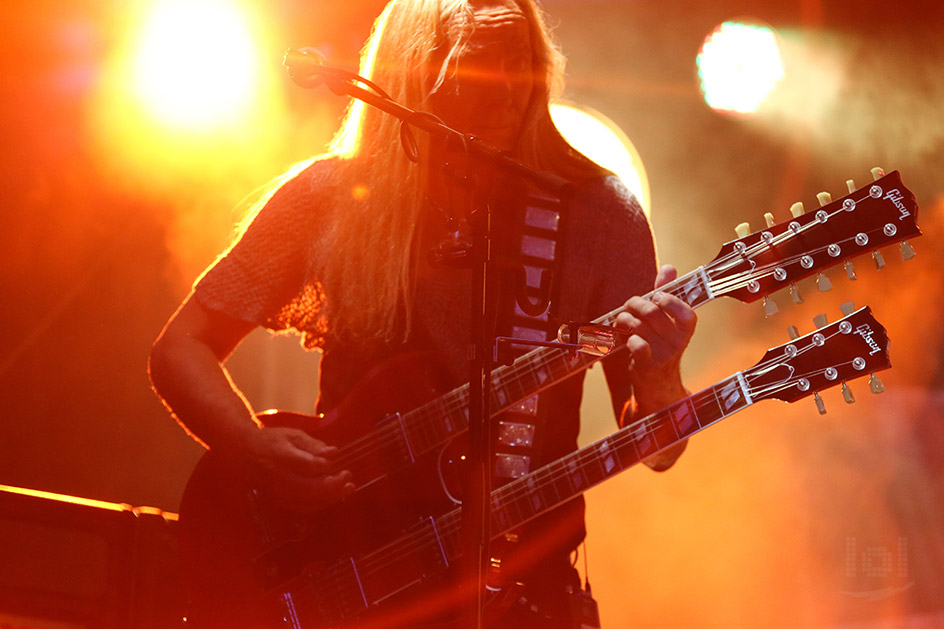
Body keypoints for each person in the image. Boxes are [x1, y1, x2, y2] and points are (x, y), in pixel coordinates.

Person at [148, 0, 696, 626]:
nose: (507, 89)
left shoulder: (598, 213)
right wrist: (249, 447)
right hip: (344, 570)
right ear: (413, 73)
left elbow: (656, 447)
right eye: (475, 64)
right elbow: (181, 346)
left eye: (520, 62)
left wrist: (660, 380)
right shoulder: (333, 195)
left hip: (522, 595)